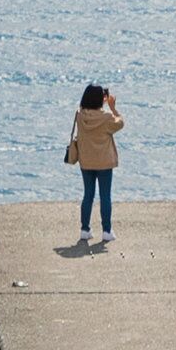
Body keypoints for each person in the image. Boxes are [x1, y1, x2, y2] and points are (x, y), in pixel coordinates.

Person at [68, 84, 123, 243]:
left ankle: (85, 229)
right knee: (105, 196)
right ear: (102, 99)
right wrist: (112, 108)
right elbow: (120, 123)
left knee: (88, 195)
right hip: (104, 162)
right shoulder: (106, 118)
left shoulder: (80, 116)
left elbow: (89, 111)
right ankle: (106, 231)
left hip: (86, 161)